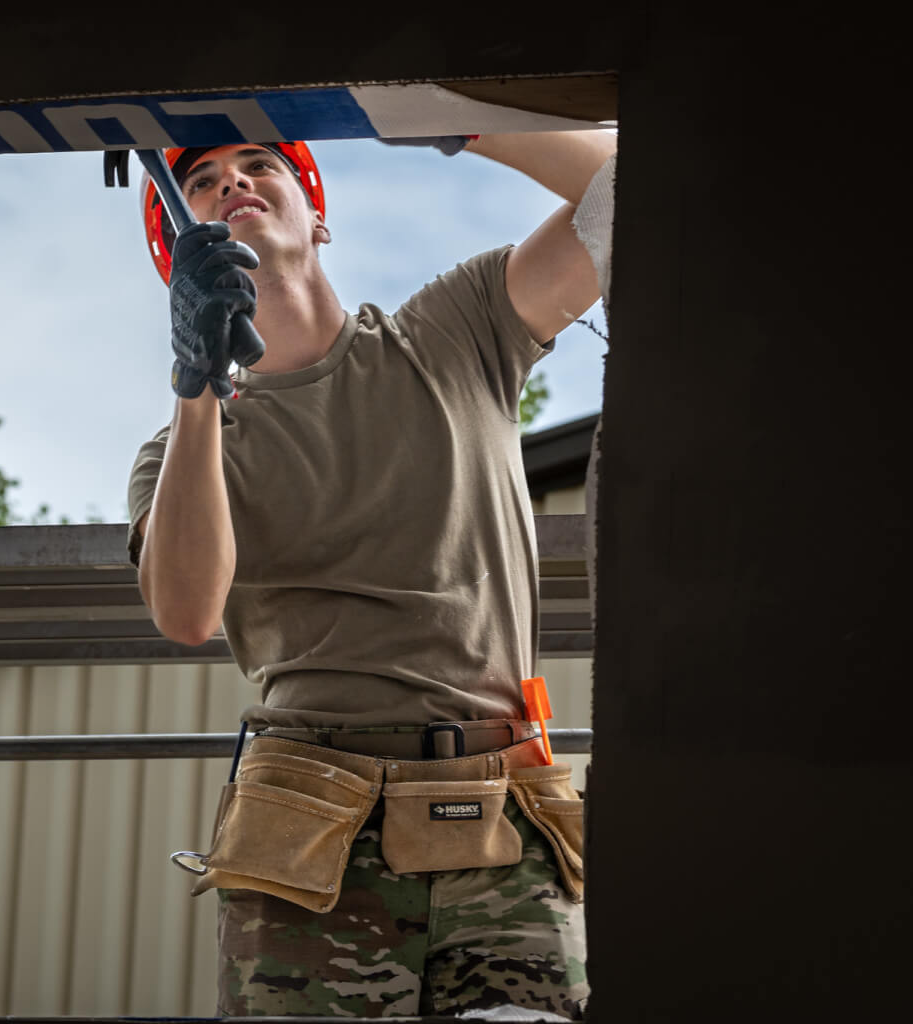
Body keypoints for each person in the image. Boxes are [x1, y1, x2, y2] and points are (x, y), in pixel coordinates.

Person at [125, 131, 615, 1020]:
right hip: (311, 833)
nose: (231, 179)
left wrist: (453, 113)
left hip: (500, 809)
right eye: (198, 182)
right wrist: (196, 383)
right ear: (179, 261)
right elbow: (187, 610)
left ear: (318, 219)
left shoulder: (456, 329)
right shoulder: (181, 450)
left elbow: (639, 190)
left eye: (260, 165)